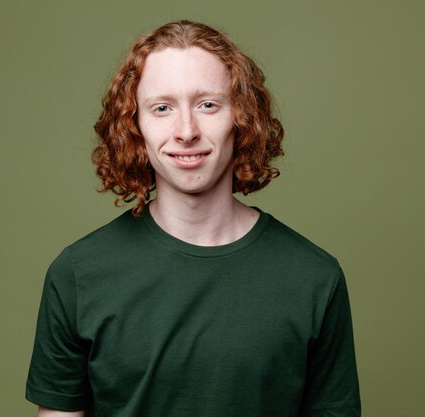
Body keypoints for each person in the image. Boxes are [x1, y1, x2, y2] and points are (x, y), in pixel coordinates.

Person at [26, 20, 361, 417]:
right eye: (162, 108)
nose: (186, 131)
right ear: (135, 126)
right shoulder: (78, 274)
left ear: (241, 118)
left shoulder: (313, 278)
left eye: (207, 104)